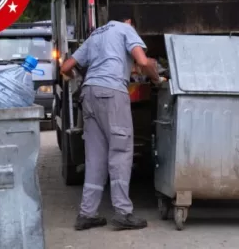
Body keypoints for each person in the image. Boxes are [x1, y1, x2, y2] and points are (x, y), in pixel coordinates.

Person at [60, 15, 165, 231]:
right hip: (112, 94)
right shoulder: (126, 29)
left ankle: (87, 214)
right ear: (130, 22)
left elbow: (66, 66)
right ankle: (123, 213)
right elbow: (143, 62)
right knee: (120, 151)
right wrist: (157, 78)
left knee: (95, 157)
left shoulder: (96, 34)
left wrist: (76, 79)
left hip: (88, 95)